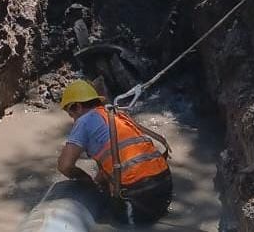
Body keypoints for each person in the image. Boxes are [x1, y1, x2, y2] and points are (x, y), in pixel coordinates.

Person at [57, 79, 173, 224]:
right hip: (165, 186)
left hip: (139, 194)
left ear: (78, 107)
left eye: (71, 114)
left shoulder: (84, 121)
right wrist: (98, 182)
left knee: (112, 222)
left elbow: (64, 165)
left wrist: (84, 179)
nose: (73, 120)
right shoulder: (115, 114)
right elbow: (118, 160)